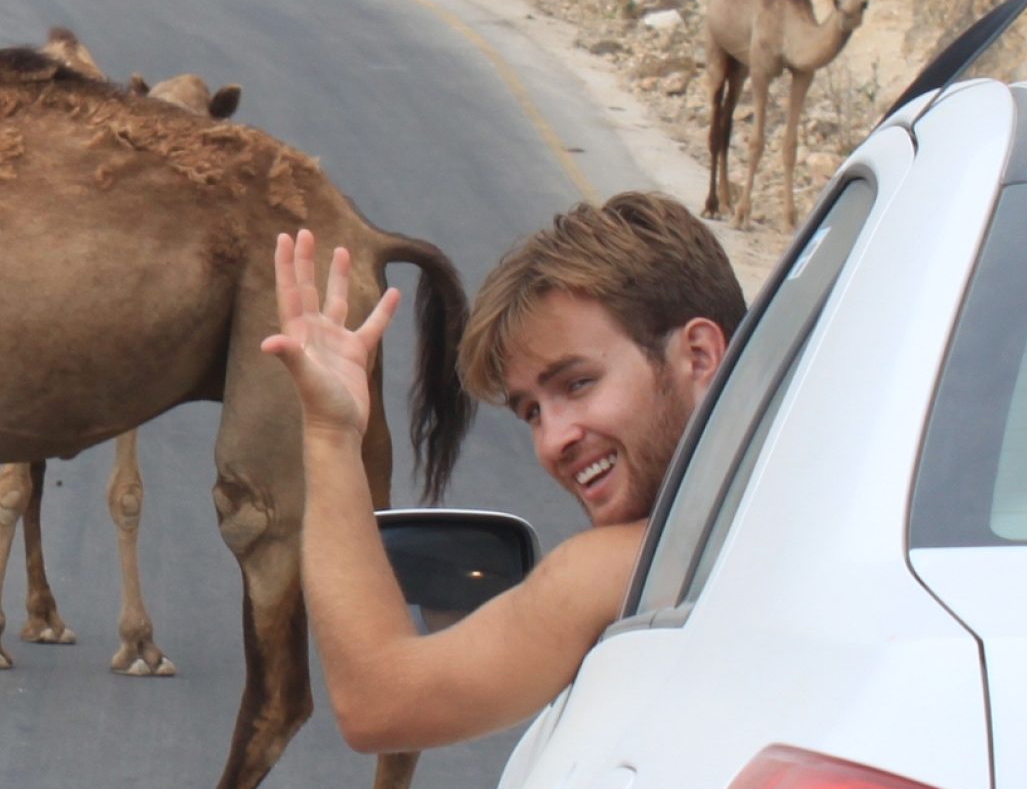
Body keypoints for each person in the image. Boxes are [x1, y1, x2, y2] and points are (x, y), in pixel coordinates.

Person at [265, 192, 745, 752]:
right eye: (532, 412)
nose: (555, 439)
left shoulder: (623, 568)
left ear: (700, 356)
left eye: (578, 383)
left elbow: (379, 702)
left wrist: (330, 435)